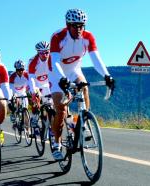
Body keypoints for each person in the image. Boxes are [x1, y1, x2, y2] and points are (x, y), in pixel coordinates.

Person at [48, 8, 115, 160]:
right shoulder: (58, 37)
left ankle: (83, 121)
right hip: (56, 73)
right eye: (75, 25)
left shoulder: (88, 37)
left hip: (73, 70)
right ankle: (56, 144)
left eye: (81, 25)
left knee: (84, 87)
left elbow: (96, 58)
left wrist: (107, 75)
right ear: (68, 24)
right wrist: (62, 79)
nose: (78, 29)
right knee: (61, 110)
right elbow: (55, 61)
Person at [8, 60, 31, 132]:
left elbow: (30, 85)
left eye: (22, 69)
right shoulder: (12, 76)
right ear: (16, 69)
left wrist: (30, 93)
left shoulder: (27, 75)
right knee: (15, 107)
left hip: (23, 93)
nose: (20, 71)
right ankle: (14, 119)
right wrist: (14, 96)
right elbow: (11, 88)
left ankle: (28, 130)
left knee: (25, 112)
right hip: (15, 93)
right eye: (18, 70)